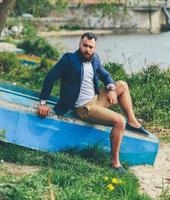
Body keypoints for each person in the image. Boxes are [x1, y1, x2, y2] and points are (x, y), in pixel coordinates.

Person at [37, 32, 149, 173]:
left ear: (94, 48)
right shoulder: (69, 59)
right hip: (84, 108)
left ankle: (133, 122)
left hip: (96, 100)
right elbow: (50, 77)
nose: (87, 50)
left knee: (122, 85)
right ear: (80, 44)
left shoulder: (95, 59)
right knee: (120, 121)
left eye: (91, 47)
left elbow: (105, 75)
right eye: (85, 46)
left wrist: (111, 89)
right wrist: (43, 103)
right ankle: (115, 163)